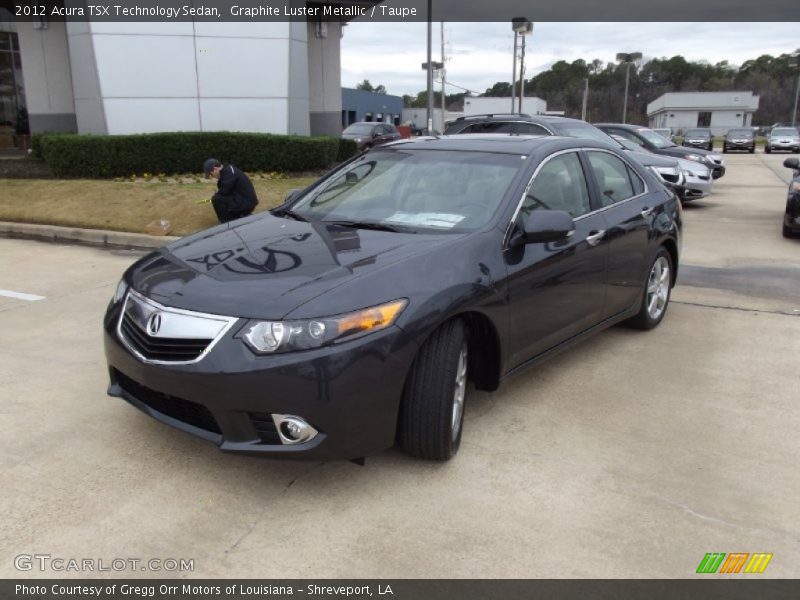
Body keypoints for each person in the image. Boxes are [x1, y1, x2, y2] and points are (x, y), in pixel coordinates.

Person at [203, 158, 259, 223]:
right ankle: (237, 216)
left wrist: (216, 194)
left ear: (215, 169)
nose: (212, 176)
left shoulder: (228, 173)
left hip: (247, 204)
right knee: (220, 198)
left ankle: (227, 223)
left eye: (211, 174)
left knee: (216, 199)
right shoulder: (227, 169)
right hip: (247, 200)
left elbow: (223, 192)